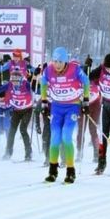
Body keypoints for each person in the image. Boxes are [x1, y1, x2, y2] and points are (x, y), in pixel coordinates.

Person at [40, 46, 90, 184]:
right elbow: (43, 84)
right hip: (56, 107)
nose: (57, 65)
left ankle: (70, 170)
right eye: (55, 61)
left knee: (66, 136)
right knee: (55, 138)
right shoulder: (48, 70)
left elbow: (86, 82)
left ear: (65, 62)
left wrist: (85, 101)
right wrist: (44, 103)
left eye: (60, 62)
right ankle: (53, 170)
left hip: (72, 106)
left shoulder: (74, 69)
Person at [2, 70, 34, 161]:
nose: (15, 82)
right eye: (13, 80)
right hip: (16, 110)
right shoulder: (10, 85)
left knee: (23, 130)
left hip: (27, 109)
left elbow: (33, 90)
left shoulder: (26, 84)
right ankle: (8, 152)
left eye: (16, 80)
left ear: (20, 80)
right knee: (11, 131)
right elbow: (3, 91)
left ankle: (28, 153)